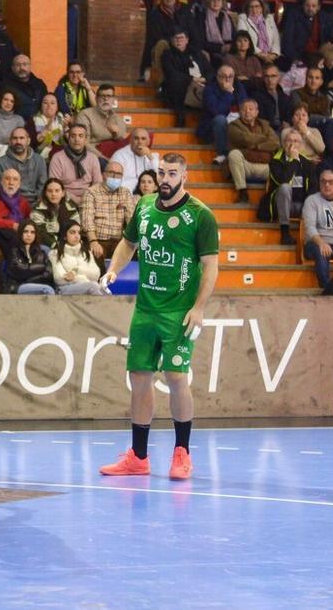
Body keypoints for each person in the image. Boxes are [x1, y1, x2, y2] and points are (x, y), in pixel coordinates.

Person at [98, 154, 219, 479]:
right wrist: (112, 271)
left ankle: (182, 453)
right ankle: (138, 457)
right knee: (139, 378)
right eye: (162, 172)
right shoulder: (146, 206)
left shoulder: (200, 216)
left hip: (178, 311)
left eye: (172, 173)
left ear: (185, 176)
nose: (165, 178)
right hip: (146, 308)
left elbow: (210, 266)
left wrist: (199, 308)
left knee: (176, 377)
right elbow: (128, 243)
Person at [259, 129, 309, 245]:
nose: (292, 144)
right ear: (283, 143)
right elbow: (283, 180)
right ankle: (285, 232)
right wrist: (293, 160)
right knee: (285, 187)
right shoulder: (275, 161)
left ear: (300, 145)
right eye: (289, 141)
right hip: (281, 205)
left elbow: (313, 186)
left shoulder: (307, 162)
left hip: (303, 205)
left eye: (296, 141)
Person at [227, 97, 280, 204]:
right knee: (234, 154)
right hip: (245, 166)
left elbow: (275, 143)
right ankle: (242, 192)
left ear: (257, 112)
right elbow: (245, 139)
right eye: (244, 109)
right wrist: (264, 139)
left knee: (283, 165)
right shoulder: (233, 126)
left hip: (266, 167)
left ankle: (271, 199)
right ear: (239, 112)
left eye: (251, 109)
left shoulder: (265, 125)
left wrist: (257, 146)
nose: (247, 112)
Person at [82, 161, 137, 261]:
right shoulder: (91, 192)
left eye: (119, 174)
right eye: (111, 173)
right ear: (104, 174)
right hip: (98, 239)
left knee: (137, 253)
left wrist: (133, 242)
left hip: (119, 241)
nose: (115, 176)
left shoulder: (125, 193)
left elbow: (131, 219)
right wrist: (93, 241)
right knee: (95, 256)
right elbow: (87, 221)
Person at [158, 29, 212, 126]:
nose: (179, 41)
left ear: (187, 40)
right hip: (182, 85)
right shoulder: (167, 55)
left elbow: (210, 71)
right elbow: (172, 73)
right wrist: (191, 79)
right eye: (176, 38)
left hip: (202, 84)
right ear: (171, 40)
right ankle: (180, 119)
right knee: (177, 82)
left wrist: (204, 79)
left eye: (181, 38)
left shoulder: (197, 54)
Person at [198, 65, 247, 165]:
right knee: (220, 119)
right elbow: (217, 111)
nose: (227, 79)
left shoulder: (239, 87)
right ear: (218, 77)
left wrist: (233, 93)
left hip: (236, 122)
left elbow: (244, 105)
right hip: (214, 126)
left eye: (231, 76)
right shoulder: (209, 90)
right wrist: (228, 94)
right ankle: (222, 154)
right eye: (224, 76)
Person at [0, 168, 31, 261]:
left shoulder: (23, 202)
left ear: (19, 184)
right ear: (1, 181)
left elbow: (28, 221)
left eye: (15, 179)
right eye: (7, 178)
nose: (11, 182)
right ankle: (15, 266)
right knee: (12, 237)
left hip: (17, 232)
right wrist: (12, 225)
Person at [279, 0, 333, 68]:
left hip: (320, 53)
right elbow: (287, 40)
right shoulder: (293, 16)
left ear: (318, 7)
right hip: (299, 54)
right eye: (307, 5)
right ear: (303, 6)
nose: (310, 8)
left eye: (313, 6)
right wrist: (295, 59)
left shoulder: (325, 18)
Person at [49, 124, 104, 201]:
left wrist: (87, 199)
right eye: (73, 136)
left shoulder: (93, 158)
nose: (76, 139)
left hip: (88, 198)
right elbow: (54, 186)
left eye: (80, 136)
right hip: (64, 198)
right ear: (68, 138)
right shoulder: (57, 158)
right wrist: (76, 200)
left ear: (85, 140)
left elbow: (98, 184)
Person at [0, 127, 46, 202]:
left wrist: (37, 205)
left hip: (35, 204)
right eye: (15, 138)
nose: (18, 141)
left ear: (28, 141)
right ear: (10, 141)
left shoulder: (39, 160)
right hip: (10, 204)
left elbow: (43, 186)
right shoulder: (0, 163)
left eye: (22, 138)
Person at [51, 221, 106, 295]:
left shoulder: (87, 253)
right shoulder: (55, 254)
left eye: (78, 232)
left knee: (101, 288)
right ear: (64, 236)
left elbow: (96, 274)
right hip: (64, 288)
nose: (77, 236)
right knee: (93, 286)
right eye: (72, 232)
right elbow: (59, 278)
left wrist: (75, 273)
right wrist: (82, 279)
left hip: (88, 285)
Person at [75, 83, 128, 159]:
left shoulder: (118, 119)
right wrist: (102, 157)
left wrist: (115, 133)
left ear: (113, 100)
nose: (105, 99)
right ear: (96, 98)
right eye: (102, 96)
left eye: (109, 96)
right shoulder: (85, 115)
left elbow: (122, 141)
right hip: (93, 155)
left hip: (115, 156)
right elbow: (83, 143)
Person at [5, 220, 55, 294]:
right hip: (17, 286)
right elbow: (19, 271)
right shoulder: (13, 250)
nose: (29, 235)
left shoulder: (41, 252)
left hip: (37, 284)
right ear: (20, 233)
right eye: (25, 231)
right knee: (47, 290)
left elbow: (49, 274)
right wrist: (41, 267)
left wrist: (30, 278)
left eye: (32, 232)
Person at [30, 178, 79, 248]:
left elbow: (76, 227)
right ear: (45, 193)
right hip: (47, 244)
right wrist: (55, 245)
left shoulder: (70, 206)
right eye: (50, 191)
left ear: (63, 193)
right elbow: (40, 232)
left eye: (57, 191)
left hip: (68, 242)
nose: (53, 194)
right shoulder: (38, 208)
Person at [194, 0, 236, 69]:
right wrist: (221, 48)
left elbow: (235, 37)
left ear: (222, 1)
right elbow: (200, 41)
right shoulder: (201, 17)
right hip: (211, 51)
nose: (216, 2)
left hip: (229, 51)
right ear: (208, 1)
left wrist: (231, 47)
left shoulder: (227, 17)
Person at [3, 54, 49, 121]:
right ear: (13, 68)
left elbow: (46, 102)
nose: (21, 68)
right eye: (18, 65)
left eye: (25, 64)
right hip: (18, 125)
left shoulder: (39, 84)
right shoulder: (6, 86)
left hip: (40, 123)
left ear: (30, 66)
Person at [237, 0, 280, 65]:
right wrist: (261, 55)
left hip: (270, 54)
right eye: (251, 7)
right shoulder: (243, 18)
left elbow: (276, 38)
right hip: (254, 53)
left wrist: (274, 54)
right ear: (247, 8)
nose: (254, 10)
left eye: (257, 6)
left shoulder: (269, 18)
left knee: (285, 63)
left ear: (262, 8)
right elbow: (244, 39)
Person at [112, 128, 157, 193]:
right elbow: (114, 182)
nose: (140, 142)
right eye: (136, 138)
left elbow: (159, 176)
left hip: (146, 194)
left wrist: (149, 156)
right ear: (130, 140)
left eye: (143, 139)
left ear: (148, 142)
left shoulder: (150, 157)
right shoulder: (120, 155)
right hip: (126, 194)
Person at [30, 93, 70, 158]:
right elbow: (34, 142)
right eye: (45, 103)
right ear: (41, 106)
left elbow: (71, 140)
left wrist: (65, 128)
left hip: (62, 153)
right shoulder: (33, 120)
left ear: (57, 107)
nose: (49, 105)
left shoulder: (61, 118)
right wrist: (46, 128)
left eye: (52, 103)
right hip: (40, 156)